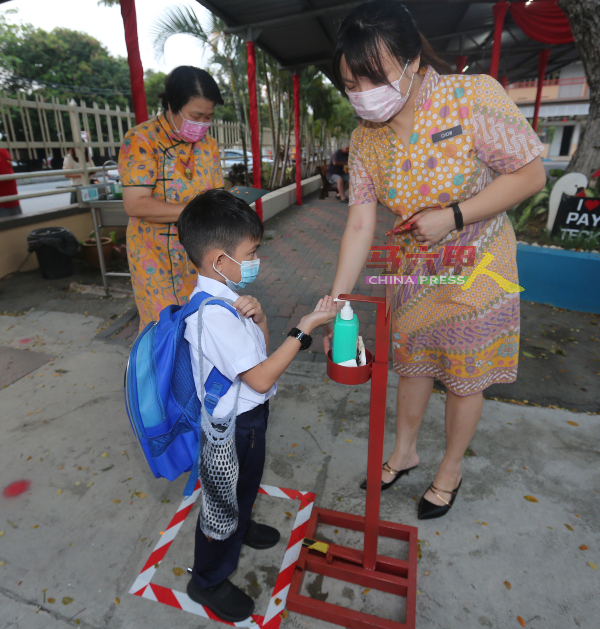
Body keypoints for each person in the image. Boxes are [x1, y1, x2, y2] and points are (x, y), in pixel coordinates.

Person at [325, 0, 546, 520]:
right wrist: (337, 295)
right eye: (349, 85)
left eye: (370, 79)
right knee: (414, 363)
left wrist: (455, 215)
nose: (361, 95)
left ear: (414, 63)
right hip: (412, 270)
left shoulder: (472, 97)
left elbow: (531, 175)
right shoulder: (365, 139)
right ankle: (405, 451)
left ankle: (450, 467)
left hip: (478, 265)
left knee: (465, 373)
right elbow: (360, 220)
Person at [177, 188, 336, 621]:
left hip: (249, 418)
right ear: (218, 260)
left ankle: (241, 525)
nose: (255, 261)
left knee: (244, 486)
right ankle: (206, 580)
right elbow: (263, 375)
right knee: (220, 504)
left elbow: (257, 356)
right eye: (251, 253)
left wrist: (263, 320)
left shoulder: (226, 301)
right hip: (232, 430)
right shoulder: (211, 315)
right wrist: (302, 330)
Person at [118, 66, 225, 330]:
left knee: (201, 324)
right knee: (163, 329)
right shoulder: (142, 139)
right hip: (154, 258)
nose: (201, 123)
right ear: (171, 105)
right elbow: (135, 203)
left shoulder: (208, 145)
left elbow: (214, 192)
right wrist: (197, 209)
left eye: (208, 117)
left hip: (199, 254)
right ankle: (157, 372)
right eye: (195, 115)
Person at [0, 148, 23, 218]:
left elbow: (8, 171)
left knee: (20, 225)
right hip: (2, 203)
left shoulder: (4, 151)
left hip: (14, 200)